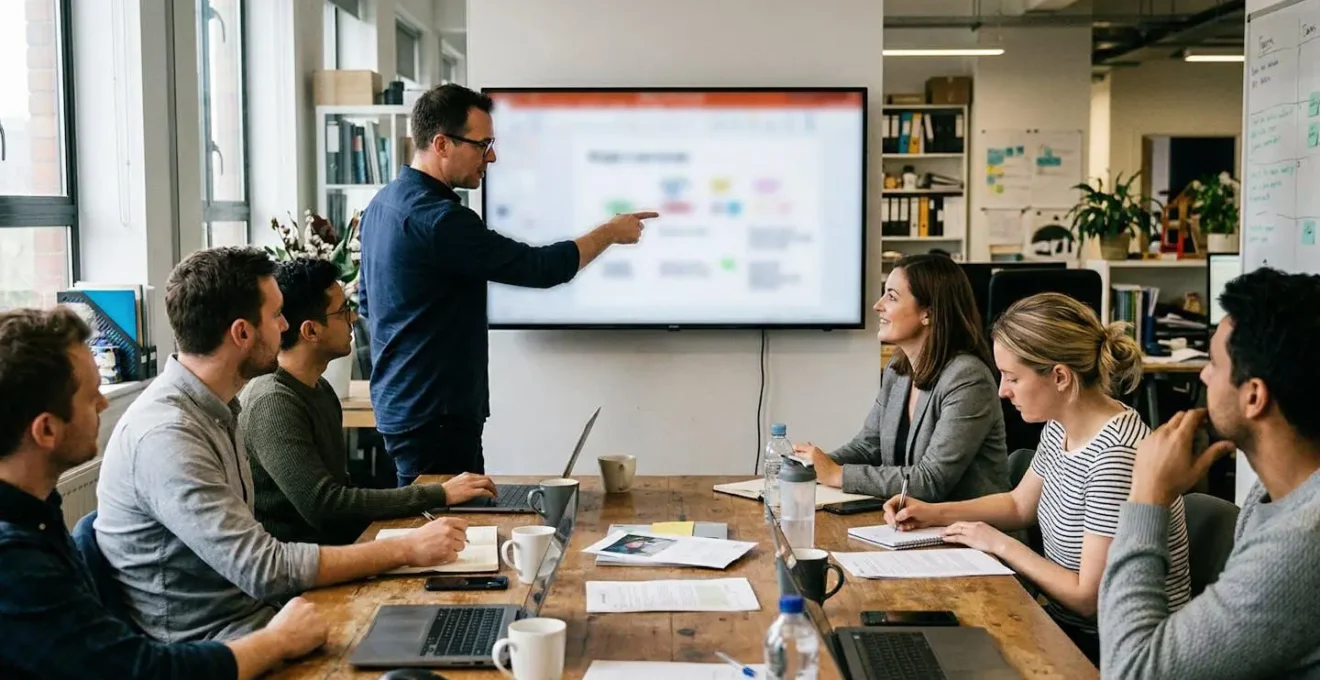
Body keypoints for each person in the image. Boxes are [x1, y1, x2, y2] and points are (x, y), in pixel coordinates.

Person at [95, 247, 470, 643]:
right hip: (220, 644)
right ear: (242, 333)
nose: (286, 324)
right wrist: (405, 549)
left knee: (439, 629)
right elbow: (264, 569)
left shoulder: (218, 408)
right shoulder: (168, 436)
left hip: (264, 617)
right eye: (276, 316)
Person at [0, 307, 326, 679]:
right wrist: (278, 640)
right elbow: (143, 671)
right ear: (46, 431)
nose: (105, 404)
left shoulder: (34, 512)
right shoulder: (13, 561)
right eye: (92, 398)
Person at [358, 83, 658, 486]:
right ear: (442, 144)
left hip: (405, 406)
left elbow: (365, 303)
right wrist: (609, 232)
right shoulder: (441, 221)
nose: (492, 157)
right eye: (483, 145)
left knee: (445, 527)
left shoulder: (382, 204)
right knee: (447, 534)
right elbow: (541, 267)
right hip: (436, 416)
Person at [883, 292, 1191, 663]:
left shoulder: (1115, 457)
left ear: (1059, 376)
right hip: (1067, 629)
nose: (1001, 390)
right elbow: (1019, 504)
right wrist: (931, 512)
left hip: (1118, 651)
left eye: (1012, 377)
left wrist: (999, 544)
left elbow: (1087, 598)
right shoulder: (1061, 426)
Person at [1099, 268, 1320, 678]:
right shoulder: (1269, 495)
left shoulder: (1303, 540)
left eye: (1214, 364)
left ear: (1254, 396)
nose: (1202, 374)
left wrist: (1147, 494)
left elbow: (1130, 672)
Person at [240, 258, 496, 545]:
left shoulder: (319, 388)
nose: (353, 318)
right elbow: (325, 506)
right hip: (303, 573)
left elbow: (341, 496)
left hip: (336, 554)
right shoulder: (273, 401)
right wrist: (439, 493)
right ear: (311, 331)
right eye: (342, 311)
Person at [791, 253, 1008, 501]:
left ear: (929, 313)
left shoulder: (967, 378)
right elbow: (867, 447)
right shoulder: (898, 369)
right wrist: (812, 466)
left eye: (892, 297)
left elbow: (931, 480)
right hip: (914, 524)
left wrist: (837, 474)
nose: (878, 305)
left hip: (972, 533)